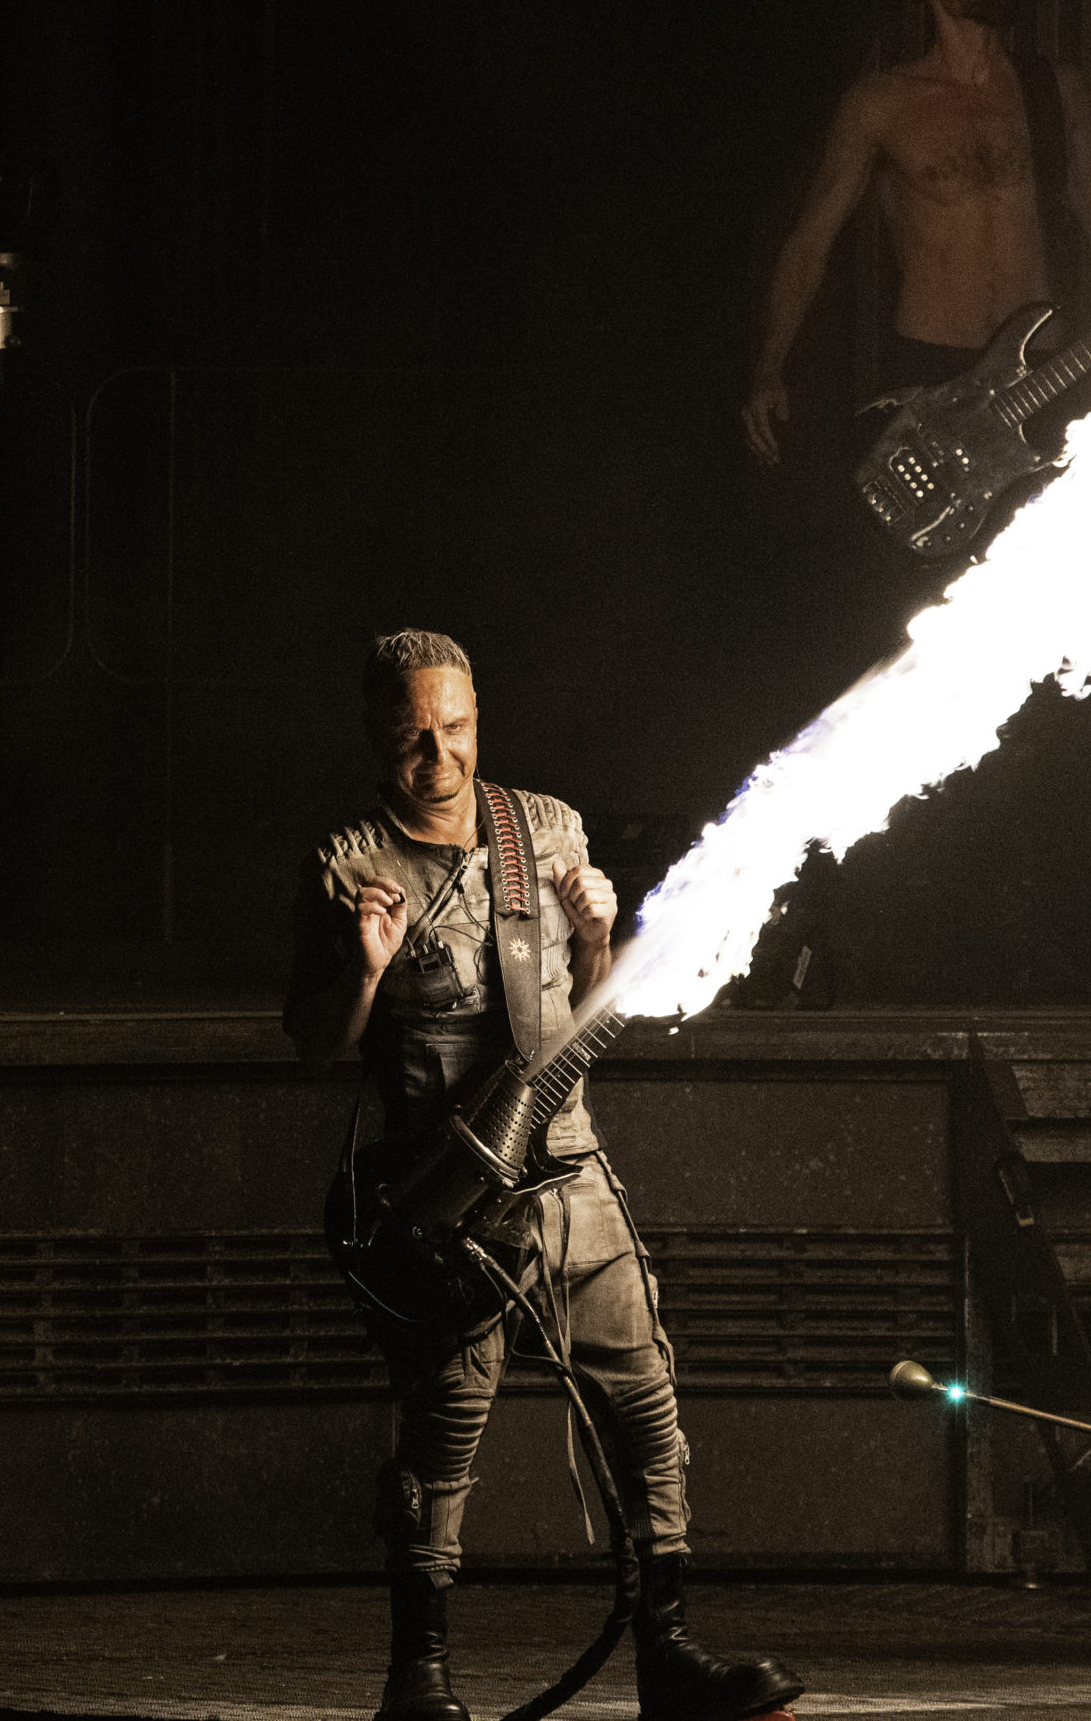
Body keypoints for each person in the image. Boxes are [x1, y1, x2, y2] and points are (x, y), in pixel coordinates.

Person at [286, 630, 801, 1721]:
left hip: (567, 1173)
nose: (440, 754)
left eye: (457, 727)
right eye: (412, 733)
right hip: (445, 1208)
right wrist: (367, 973)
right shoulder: (347, 863)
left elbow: (593, 1010)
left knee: (647, 1409)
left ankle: (666, 1654)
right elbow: (316, 1045)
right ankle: (417, 1680)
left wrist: (602, 938)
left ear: (479, 716)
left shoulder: (547, 830)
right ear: (376, 733)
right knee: (440, 1442)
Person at [740, 0, 1091, 464]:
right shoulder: (882, 103)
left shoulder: (1050, 87)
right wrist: (770, 368)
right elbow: (810, 242)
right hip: (931, 366)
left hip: (1042, 368)